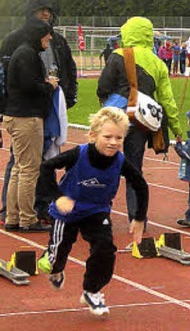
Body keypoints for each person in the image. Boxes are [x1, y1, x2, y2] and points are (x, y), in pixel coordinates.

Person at [36, 107, 149, 317]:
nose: (113, 142)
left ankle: (92, 290)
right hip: (67, 213)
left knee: (105, 249)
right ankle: (55, 267)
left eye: (119, 137)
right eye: (107, 137)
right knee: (53, 262)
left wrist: (139, 217)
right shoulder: (78, 154)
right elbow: (46, 167)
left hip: (97, 212)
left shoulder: (120, 161)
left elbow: (140, 185)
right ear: (93, 135)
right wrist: (57, 196)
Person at [97, 16, 183, 224]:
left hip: (115, 119)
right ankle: (137, 218)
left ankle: (100, 216)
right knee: (134, 169)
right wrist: (176, 128)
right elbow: (167, 100)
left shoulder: (118, 55)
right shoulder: (158, 63)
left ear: (127, 33)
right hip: (141, 122)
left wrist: (107, 107)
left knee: (105, 166)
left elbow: (103, 87)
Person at [0, 0, 78, 224]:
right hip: (26, 111)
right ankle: (20, 214)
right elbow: (12, 79)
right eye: (41, 10)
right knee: (25, 164)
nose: (46, 14)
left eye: (49, 10)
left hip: (45, 108)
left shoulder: (57, 41)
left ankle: (40, 206)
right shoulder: (17, 43)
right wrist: (45, 86)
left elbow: (69, 69)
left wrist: (68, 95)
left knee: (47, 157)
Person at [2, 18, 56, 233]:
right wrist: (49, 86)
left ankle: (13, 217)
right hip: (26, 117)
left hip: (18, 115)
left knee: (18, 168)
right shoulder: (27, 54)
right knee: (29, 170)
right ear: (38, 34)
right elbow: (29, 86)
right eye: (47, 34)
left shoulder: (24, 52)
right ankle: (26, 218)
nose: (50, 38)